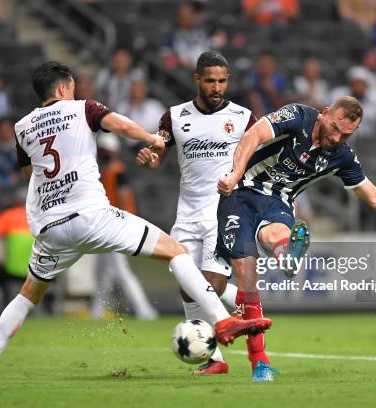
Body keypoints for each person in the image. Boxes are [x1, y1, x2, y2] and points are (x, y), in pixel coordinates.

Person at [0, 61, 271, 385]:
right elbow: (121, 126)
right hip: (92, 216)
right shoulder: (83, 108)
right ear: (61, 89)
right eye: (71, 88)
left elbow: (32, 176)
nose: (73, 93)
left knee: (28, 294)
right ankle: (223, 321)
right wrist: (150, 137)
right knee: (175, 250)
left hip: (51, 229)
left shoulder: (22, 127)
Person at [215, 96, 376, 380]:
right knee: (246, 273)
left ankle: (286, 255)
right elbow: (254, 134)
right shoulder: (298, 116)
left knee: (278, 233)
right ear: (325, 113)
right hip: (241, 190)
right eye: (335, 128)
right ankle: (260, 355)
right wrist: (234, 174)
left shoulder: (342, 155)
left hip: (278, 201)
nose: (337, 137)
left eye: (346, 135)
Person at [136, 51, 269, 379]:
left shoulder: (243, 117)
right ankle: (216, 358)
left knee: (209, 282)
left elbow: (260, 158)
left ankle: (244, 310)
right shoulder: (174, 117)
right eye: (210, 80)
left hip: (223, 214)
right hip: (186, 216)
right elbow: (159, 155)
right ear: (197, 79)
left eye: (222, 81)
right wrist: (150, 160)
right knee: (187, 288)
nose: (217, 87)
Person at [92, 133, 158, 320]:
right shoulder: (109, 170)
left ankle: (145, 310)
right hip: (109, 226)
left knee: (120, 272)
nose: (102, 153)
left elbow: (123, 196)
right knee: (104, 273)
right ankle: (96, 312)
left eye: (104, 150)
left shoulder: (117, 170)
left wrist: (123, 223)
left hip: (116, 226)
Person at [0, 187, 34, 309]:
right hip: (36, 271)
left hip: (12, 271)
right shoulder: (38, 216)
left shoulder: (8, 216)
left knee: (9, 301)